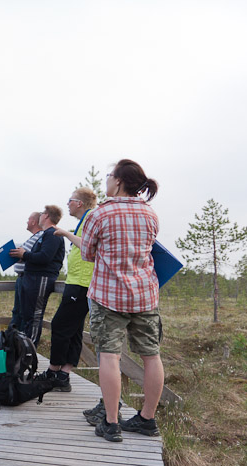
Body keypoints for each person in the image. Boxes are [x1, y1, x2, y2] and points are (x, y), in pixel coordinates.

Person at [81, 159, 163, 443]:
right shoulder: (150, 214)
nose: (106, 179)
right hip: (145, 296)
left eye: (109, 175)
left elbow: (87, 254)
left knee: (109, 356)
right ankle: (147, 419)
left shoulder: (99, 214)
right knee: (151, 356)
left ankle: (111, 422)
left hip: (109, 296)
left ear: (118, 181)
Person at [36, 188, 97, 392]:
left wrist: (64, 233)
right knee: (75, 329)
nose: (68, 204)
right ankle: (64, 374)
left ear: (79, 203)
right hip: (79, 281)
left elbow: (88, 246)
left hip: (82, 282)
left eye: (70, 200)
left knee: (60, 324)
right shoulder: (85, 220)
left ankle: (53, 371)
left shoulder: (90, 218)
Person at [9, 205, 64, 347]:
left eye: (42, 213)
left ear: (46, 216)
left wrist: (24, 255)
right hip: (32, 279)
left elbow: (45, 257)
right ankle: (22, 350)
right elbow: (37, 256)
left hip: (41, 279)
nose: (40, 216)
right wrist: (25, 256)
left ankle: (29, 350)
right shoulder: (45, 234)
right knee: (27, 316)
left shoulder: (53, 234)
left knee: (34, 317)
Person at [9, 212, 43, 329]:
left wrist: (19, 254)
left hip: (27, 278)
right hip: (22, 278)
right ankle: (13, 337)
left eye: (28, 219)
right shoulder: (34, 237)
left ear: (33, 222)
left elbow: (29, 255)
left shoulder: (40, 236)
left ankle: (21, 338)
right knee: (17, 311)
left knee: (23, 313)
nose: (27, 222)